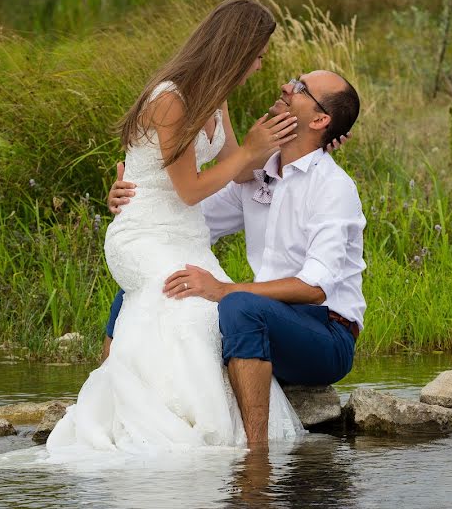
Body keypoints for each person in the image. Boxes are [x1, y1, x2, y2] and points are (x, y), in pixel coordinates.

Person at [45, 0, 305, 454]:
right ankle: (167, 423)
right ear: (237, 50)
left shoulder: (215, 100)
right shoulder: (171, 100)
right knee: (186, 306)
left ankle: (236, 435)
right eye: (259, 55)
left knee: (220, 308)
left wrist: (279, 137)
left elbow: (239, 171)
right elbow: (190, 189)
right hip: (142, 234)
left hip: (186, 236)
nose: (261, 65)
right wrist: (248, 152)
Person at [105, 70, 366, 445]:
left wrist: (223, 289)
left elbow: (314, 288)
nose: (286, 87)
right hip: (271, 321)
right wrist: (132, 200)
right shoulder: (256, 178)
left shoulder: (332, 187)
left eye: (301, 88)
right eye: (294, 79)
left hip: (326, 334)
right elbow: (177, 225)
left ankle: (256, 454)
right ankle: (111, 396)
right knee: (157, 278)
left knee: (239, 306)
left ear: (321, 119)